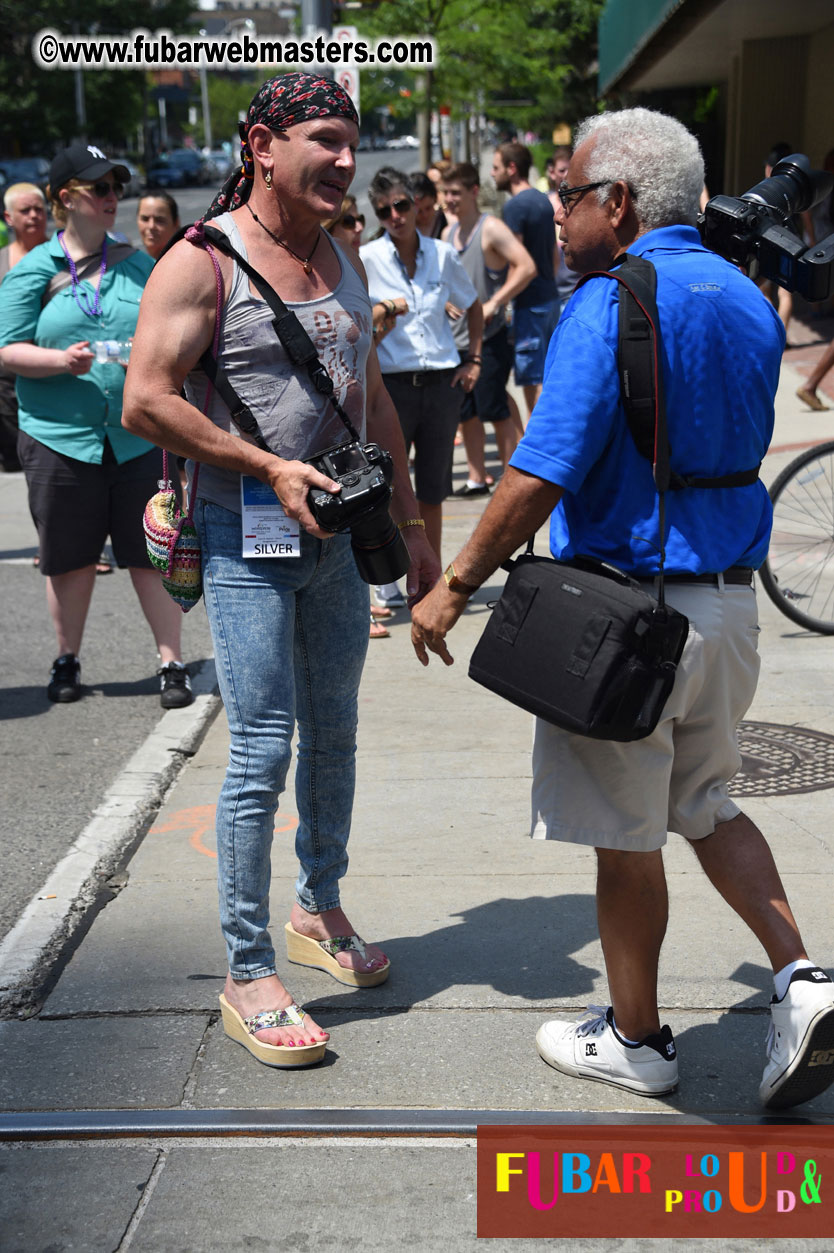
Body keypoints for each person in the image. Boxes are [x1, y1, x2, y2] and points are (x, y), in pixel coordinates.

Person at [411, 107, 834, 1111]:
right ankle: (805, 976)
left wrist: (454, 583)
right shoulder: (742, 293)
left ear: (621, 202)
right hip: (729, 611)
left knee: (626, 833)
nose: (556, 213)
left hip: (630, 621)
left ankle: (637, 1037)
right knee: (709, 801)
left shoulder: (610, 299)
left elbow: (538, 469)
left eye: (569, 195)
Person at [122, 73, 439, 1069]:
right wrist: (263, 464)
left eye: (351, 142)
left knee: (335, 732)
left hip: (341, 542)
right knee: (261, 746)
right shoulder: (199, 262)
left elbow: (370, 394)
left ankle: (319, 903)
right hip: (244, 538)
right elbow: (144, 399)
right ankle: (248, 965)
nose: (346, 161)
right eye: (324, 140)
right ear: (262, 144)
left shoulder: (341, 252)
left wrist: (414, 517)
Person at [0, 144, 193, 709]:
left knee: (151, 552)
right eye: (100, 189)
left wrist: (154, 359)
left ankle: (171, 663)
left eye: (116, 188)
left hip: (136, 436)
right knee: (70, 558)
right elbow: (7, 350)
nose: (114, 199)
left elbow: (176, 335)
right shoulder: (34, 269)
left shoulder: (139, 263)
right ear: (66, 198)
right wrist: (59, 361)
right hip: (59, 438)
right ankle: (68, 657)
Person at [360, 166, 483, 561]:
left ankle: (430, 578)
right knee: (388, 487)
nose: (394, 216)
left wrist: (474, 359)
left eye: (400, 205)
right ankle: (394, 576)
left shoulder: (443, 255)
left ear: (416, 206)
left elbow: (473, 305)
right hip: (391, 388)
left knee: (433, 488)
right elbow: (357, 324)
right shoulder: (367, 258)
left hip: (442, 386)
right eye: (384, 211)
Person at [440, 162, 535, 496]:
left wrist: (496, 302)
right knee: (467, 412)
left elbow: (526, 266)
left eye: (455, 193)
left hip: (491, 336)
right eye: (445, 192)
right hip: (456, 339)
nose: (449, 199)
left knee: (494, 407)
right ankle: (478, 477)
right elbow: (446, 281)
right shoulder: (447, 234)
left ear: (473, 193)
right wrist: (446, 301)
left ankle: (513, 479)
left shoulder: (490, 228)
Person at [491, 141, 560, 421]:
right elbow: (554, 255)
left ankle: (544, 437)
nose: (492, 175)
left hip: (529, 304)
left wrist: (502, 301)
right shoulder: (543, 199)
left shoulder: (516, 207)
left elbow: (516, 261)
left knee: (533, 381)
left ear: (512, 168)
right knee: (549, 373)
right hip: (550, 298)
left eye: (496, 168)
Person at [0, 182, 49, 472]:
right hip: (7, 385)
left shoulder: (64, 256)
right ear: (8, 218)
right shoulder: (2, 261)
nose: (33, 216)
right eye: (25, 210)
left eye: (39, 209)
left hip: (56, 378)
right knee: (15, 465)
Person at [136, 192, 180, 261]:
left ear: (176, 223)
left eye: (159, 220)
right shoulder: (133, 265)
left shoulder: (184, 265)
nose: (151, 226)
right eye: (145, 219)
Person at [408, 171, 446, 238]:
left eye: (428, 208)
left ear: (434, 200)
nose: (425, 215)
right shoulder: (406, 229)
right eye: (419, 211)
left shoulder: (445, 222)